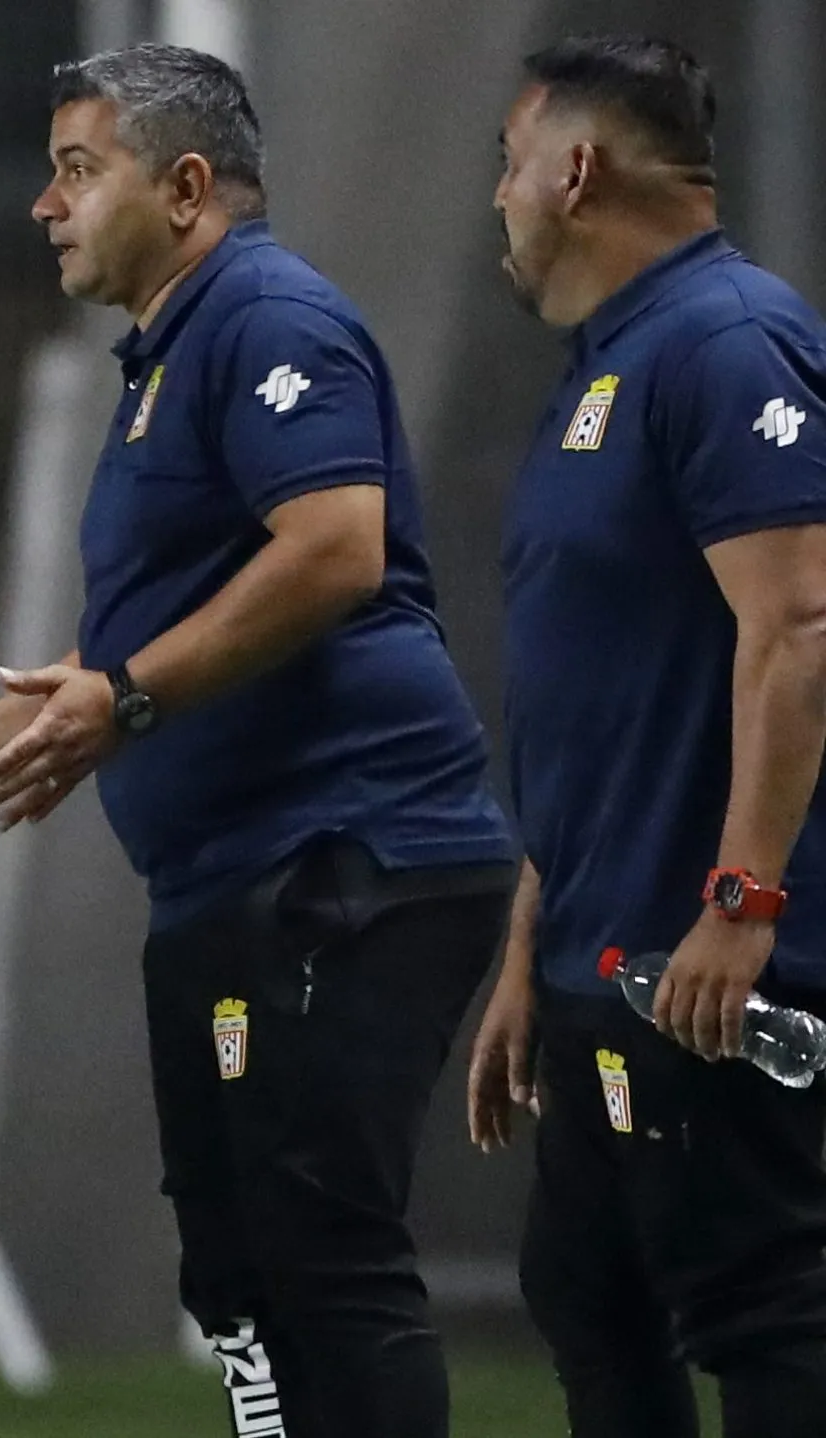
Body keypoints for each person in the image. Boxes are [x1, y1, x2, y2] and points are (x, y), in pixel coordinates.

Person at [0, 45, 516, 1438]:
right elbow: (155, 634)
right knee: (239, 1264)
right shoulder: (167, 354)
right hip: (232, 872)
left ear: (186, 188)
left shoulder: (266, 318)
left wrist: (124, 698)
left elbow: (336, 548)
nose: (46, 205)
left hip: (346, 853)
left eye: (79, 171)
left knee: (320, 1249)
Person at [463, 36, 826, 1437]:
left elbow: (800, 626)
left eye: (509, 162)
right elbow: (600, 691)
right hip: (603, 952)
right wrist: (529, 945)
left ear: (576, 170)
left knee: (763, 1309)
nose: (500, 196)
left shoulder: (724, 343)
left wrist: (743, 903)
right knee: (589, 1287)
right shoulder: (606, 367)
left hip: (713, 959)